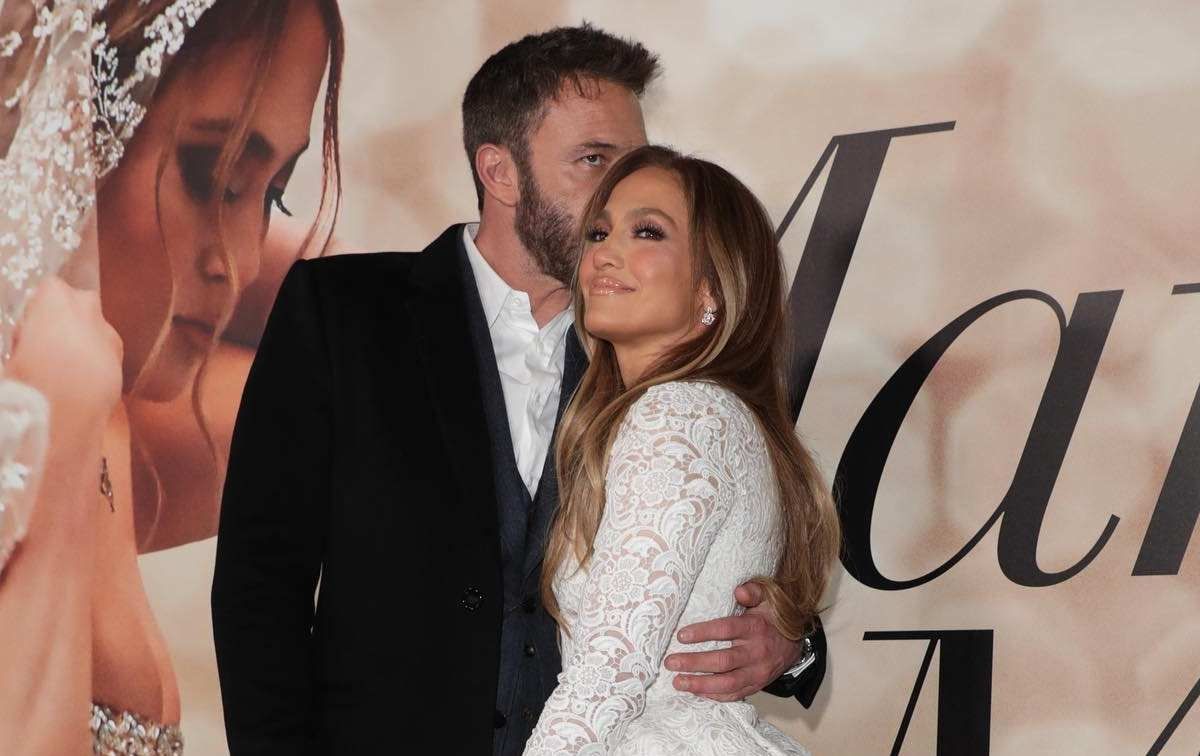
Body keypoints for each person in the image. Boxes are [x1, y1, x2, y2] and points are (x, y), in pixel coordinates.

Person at [212, 23, 822, 756]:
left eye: (633, 161)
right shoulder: (342, 312)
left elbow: (734, 558)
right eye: (594, 160)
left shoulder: (656, 362)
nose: (621, 186)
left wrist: (794, 645)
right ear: (500, 172)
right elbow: (260, 581)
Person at [0, 0, 344, 752]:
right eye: (211, 175)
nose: (239, 259)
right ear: (71, 129)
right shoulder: (44, 395)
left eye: (272, 193)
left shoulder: (110, 407)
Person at [523, 145, 839, 755]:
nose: (604, 252)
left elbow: (607, 674)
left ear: (711, 288)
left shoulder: (679, 414)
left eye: (647, 231)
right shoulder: (701, 411)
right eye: (598, 232)